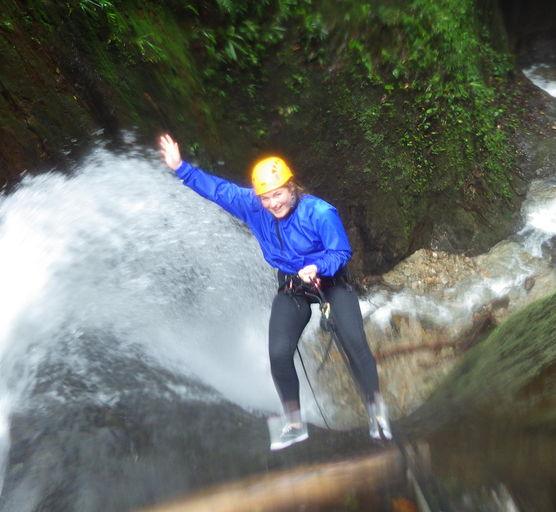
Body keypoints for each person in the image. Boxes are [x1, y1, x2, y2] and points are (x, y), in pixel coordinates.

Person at [159, 134, 392, 450]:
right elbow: (218, 190)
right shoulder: (254, 207)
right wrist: (181, 169)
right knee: (279, 354)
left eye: (278, 194)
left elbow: (341, 251)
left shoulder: (319, 212)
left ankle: (376, 413)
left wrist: (318, 267)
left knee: (354, 342)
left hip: (331, 283)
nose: (273, 203)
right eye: (266, 197)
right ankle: (294, 424)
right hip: (293, 287)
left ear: (291, 187)